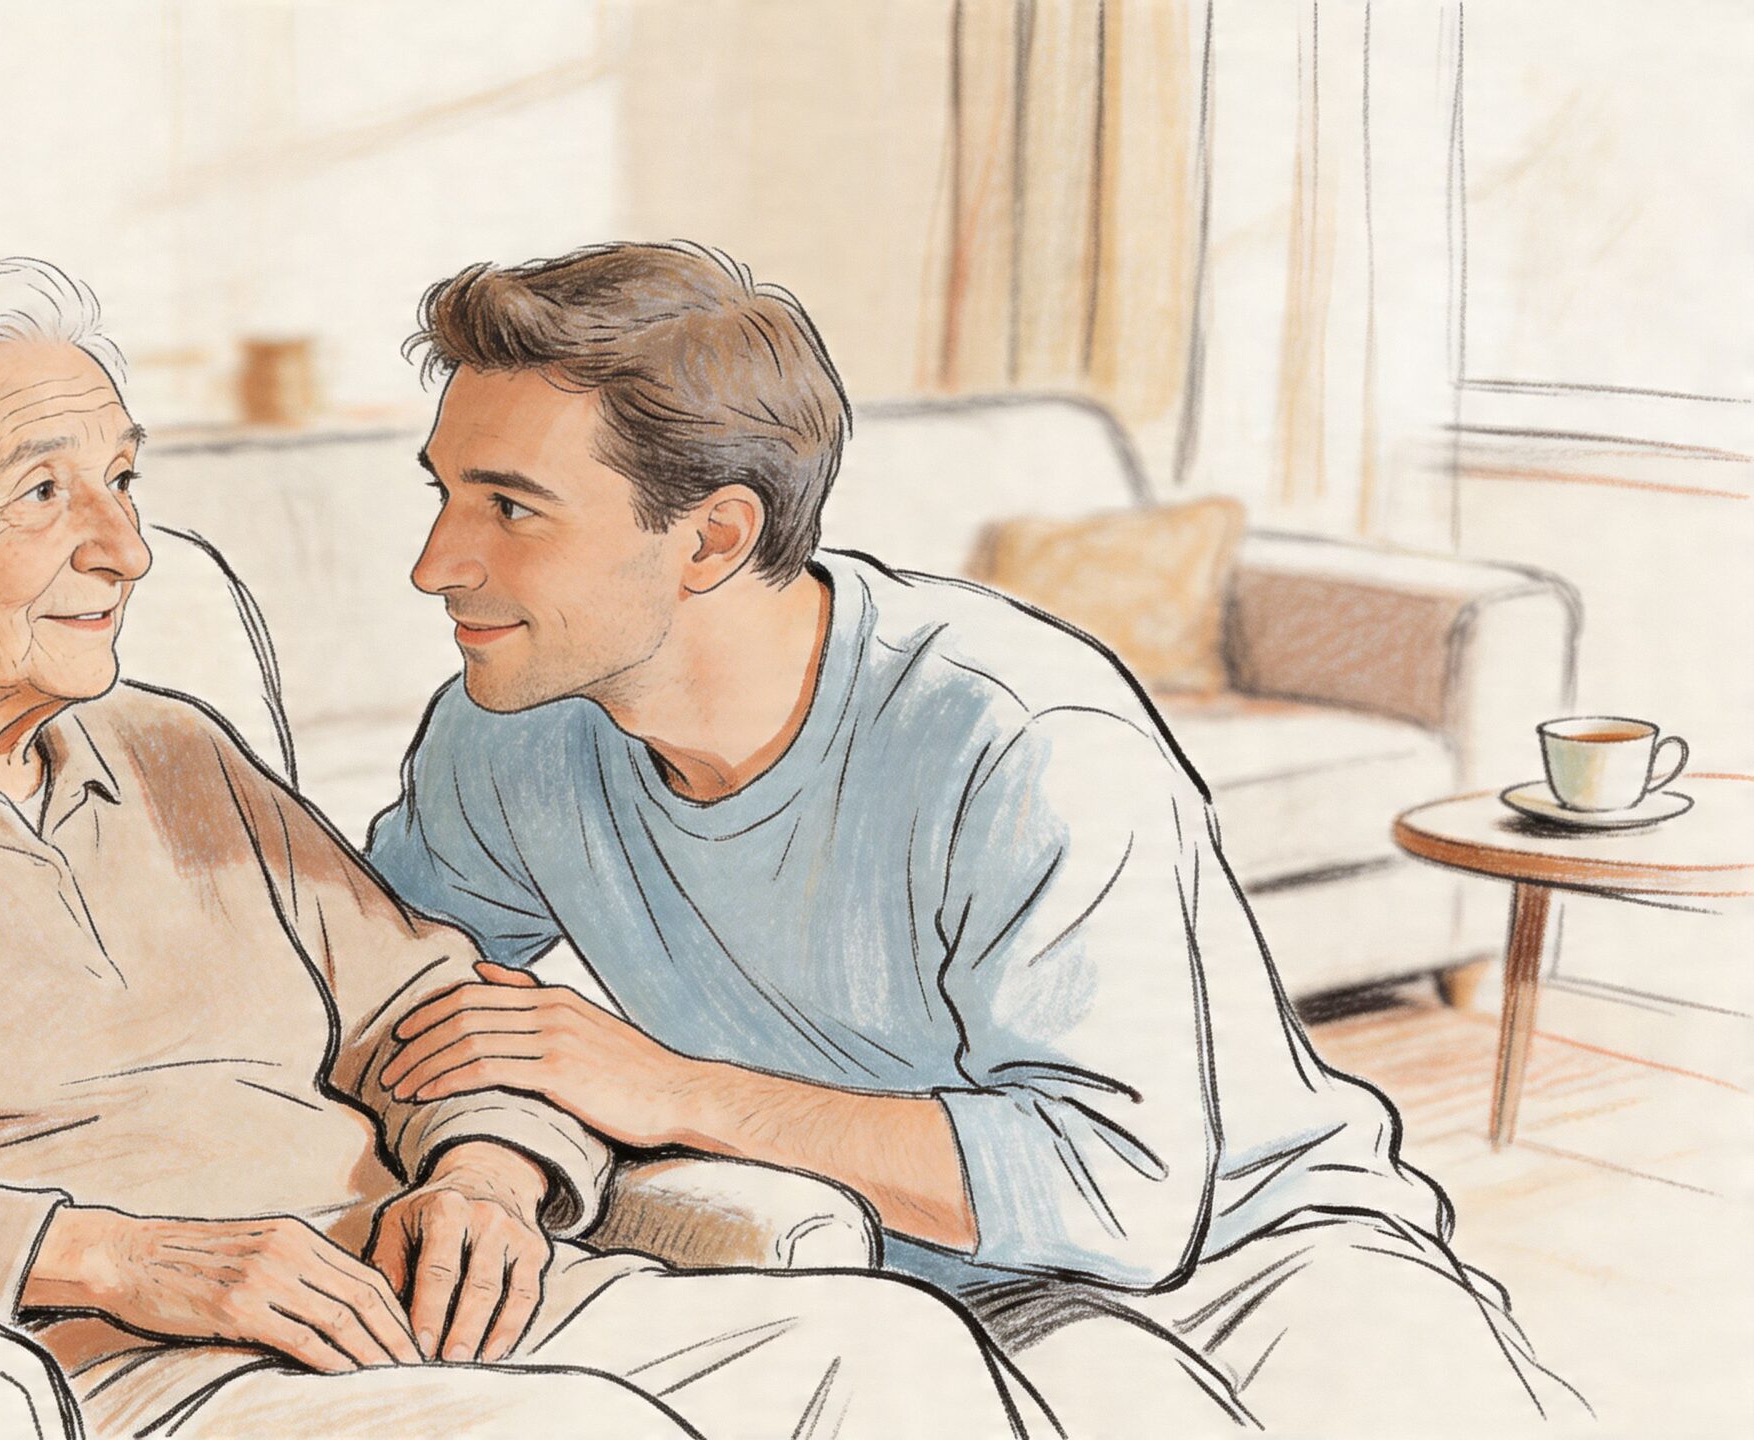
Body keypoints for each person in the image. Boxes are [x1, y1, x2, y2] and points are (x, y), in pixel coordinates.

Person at [0, 257, 1028, 1440]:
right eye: (44, 494)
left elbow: (441, 1014)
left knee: (883, 1354)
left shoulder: (172, 751)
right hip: (159, 1374)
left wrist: (486, 1177)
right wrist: (103, 1257)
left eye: (126, 480)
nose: (126, 546)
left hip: (434, 1305)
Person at [361, 241, 1583, 1434]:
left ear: (713, 538)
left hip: (1255, 1264)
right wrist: (486, 1171)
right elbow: (403, 1002)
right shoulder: (505, 733)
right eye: (445, 494)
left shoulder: (1015, 734)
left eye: (511, 508)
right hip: (903, 1284)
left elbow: (1118, 1195)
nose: (435, 566)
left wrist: (670, 1088)